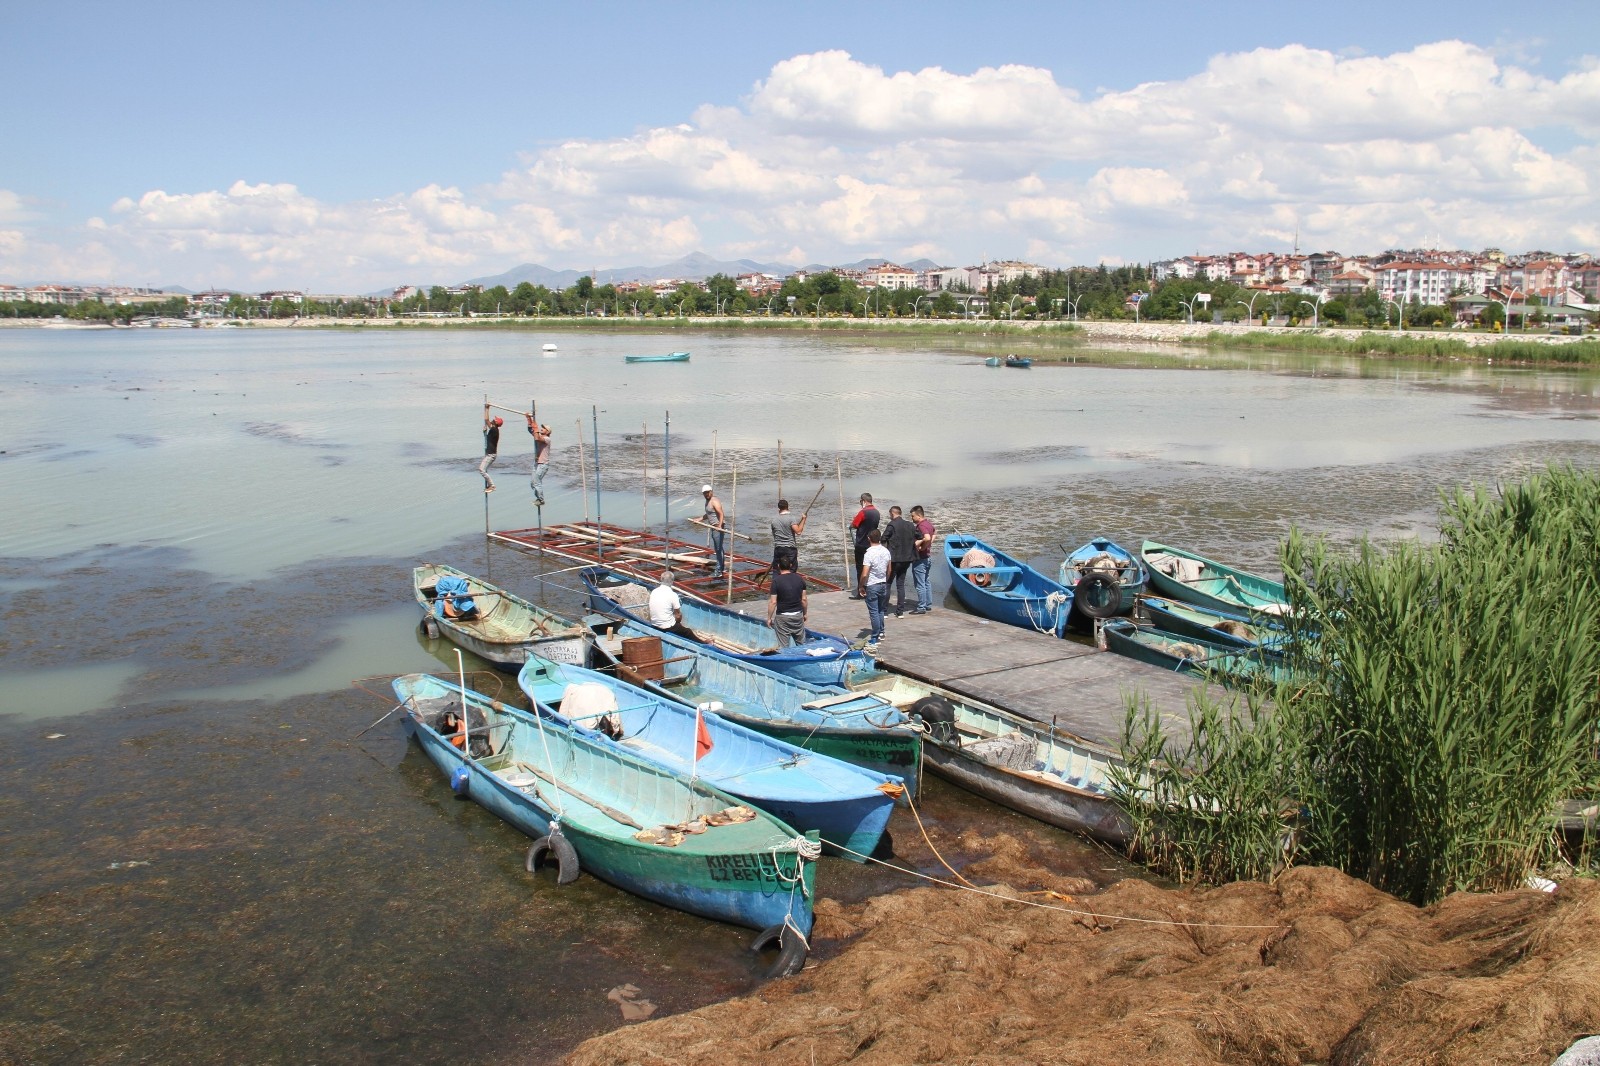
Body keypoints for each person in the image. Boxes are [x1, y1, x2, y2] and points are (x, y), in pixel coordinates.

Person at [883, 505, 919, 616]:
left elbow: (883, 538)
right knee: (900, 585)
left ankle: (884, 611)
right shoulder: (910, 525)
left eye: (890, 515)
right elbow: (920, 535)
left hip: (894, 559)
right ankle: (900, 612)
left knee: (888, 583)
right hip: (907, 559)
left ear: (892, 514)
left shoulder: (892, 525)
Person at [766, 556, 809, 648]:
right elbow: (804, 599)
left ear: (778, 566)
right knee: (801, 645)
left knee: (784, 647)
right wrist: (805, 614)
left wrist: (769, 618)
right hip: (798, 616)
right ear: (790, 565)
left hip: (783, 618)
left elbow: (773, 602)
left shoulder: (776, 581)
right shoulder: (800, 579)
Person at [647, 571, 702, 642]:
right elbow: (678, 615)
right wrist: (678, 623)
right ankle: (703, 643)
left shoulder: (654, 591)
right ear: (672, 581)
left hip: (654, 624)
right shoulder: (673, 595)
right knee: (688, 631)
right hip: (666, 627)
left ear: (661, 580)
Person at [859, 529, 892, 646]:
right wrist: (885, 580)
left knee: (873, 612)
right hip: (883, 583)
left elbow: (864, 573)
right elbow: (889, 570)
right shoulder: (886, 551)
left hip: (872, 585)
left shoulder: (869, 553)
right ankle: (882, 632)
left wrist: (861, 586)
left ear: (869, 539)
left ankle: (875, 636)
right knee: (880, 610)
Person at [849, 493, 880, 598]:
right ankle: (870, 589)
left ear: (863, 501)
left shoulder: (863, 512)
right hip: (872, 543)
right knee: (871, 568)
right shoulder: (876, 512)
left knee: (860, 568)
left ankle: (861, 591)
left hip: (862, 544)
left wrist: (853, 522)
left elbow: (854, 525)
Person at [910, 505, 936, 614]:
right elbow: (934, 533)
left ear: (919, 515)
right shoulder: (928, 523)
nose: (912, 518)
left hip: (920, 558)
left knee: (920, 583)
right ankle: (928, 604)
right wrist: (929, 545)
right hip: (927, 558)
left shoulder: (921, 526)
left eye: (913, 516)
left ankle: (921, 607)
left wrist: (920, 545)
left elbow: (927, 537)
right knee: (926, 582)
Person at [770, 498, 807, 574]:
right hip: (789, 548)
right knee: (791, 570)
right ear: (787, 507)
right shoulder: (791, 518)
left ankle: (777, 583)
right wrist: (803, 519)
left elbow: (774, 534)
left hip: (778, 548)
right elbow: (798, 531)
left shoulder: (774, 520)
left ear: (779, 509)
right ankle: (790, 583)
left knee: (777, 570)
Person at [701, 484, 727, 578]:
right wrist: (700, 519)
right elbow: (708, 514)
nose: (706, 494)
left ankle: (719, 570)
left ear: (711, 491)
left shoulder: (714, 501)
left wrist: (719, 526)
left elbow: (721, 513)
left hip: (717, 528)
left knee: (718, 549)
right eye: (704, 493)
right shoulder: (707, 502)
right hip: (714, 527)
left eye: (708, 492)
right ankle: (722, 567)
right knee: (719, 548)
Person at [526, 415, 553, 506]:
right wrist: (529, 419)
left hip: (543, 464)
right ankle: (538, 498)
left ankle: (541, 500)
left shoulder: (547, 439)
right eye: (541, 428)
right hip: (537, 464)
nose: (542, 429)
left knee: (537, 482)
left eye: (544, 428)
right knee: (533, 483)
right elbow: (531, 430)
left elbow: (537, 438)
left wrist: (536, 427)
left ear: (547, 432)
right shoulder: (540, 435)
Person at [479, 406, 503, 493]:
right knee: (483, 470)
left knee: (481, 470)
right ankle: (490, 486)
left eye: (495, 419)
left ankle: (492, 486)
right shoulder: (494, 429)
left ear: (496, 423)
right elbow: (486, 420)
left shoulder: (494, 430)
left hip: (491, 455)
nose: (493, 419)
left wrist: (487, 408)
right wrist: (487, 408)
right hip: (489, 454)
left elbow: (486, 420)